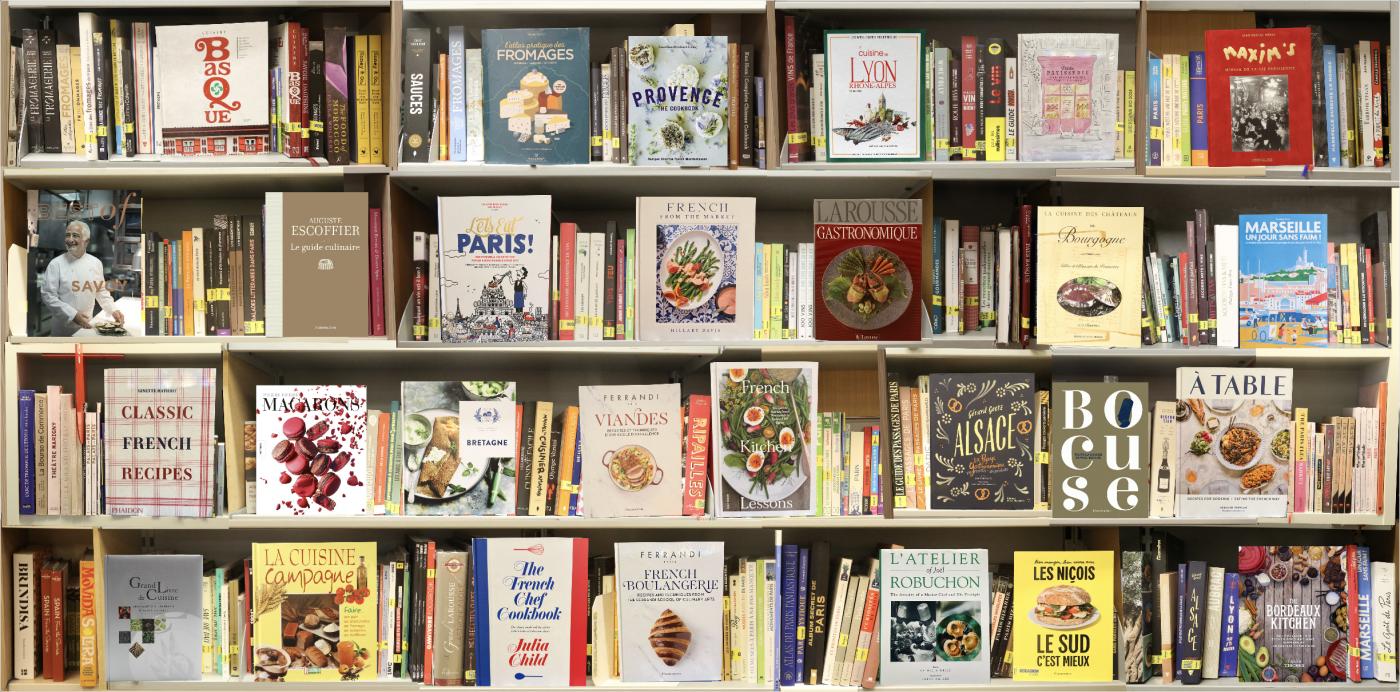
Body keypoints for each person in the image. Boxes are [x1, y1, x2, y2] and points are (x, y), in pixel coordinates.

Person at [38, 220, 122, 336]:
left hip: (87, 326)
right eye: (67, 235)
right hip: (63, 330)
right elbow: (48, 296)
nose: (70, 239)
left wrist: (113, 309)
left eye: (75, 235)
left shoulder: (95, 263)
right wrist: (73, 315)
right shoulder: (56, 264)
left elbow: (100, 291)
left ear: (86, 241)